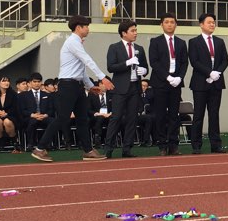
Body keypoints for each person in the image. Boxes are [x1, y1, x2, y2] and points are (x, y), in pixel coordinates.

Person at [31, 15, 113, 162]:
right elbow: (87, 60)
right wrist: (102, 77)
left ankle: (88, 151)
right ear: (78, 28)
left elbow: (80, 69)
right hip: (68, 85)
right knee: (63, 118)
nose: (88, 29)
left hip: (77, 86)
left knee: (82, 119)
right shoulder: (72, 42)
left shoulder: (77, 43)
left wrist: (89, 86)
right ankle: (40, 148)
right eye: (86, 26)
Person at [103, 19, 148, 158]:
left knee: (132, 118)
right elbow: (111, 67)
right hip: (120, 88)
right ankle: (108, 148)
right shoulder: (114, 47)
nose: (135, 33)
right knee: (116, 118)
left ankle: (127, 148)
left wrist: (144, 71)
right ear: (124, 33)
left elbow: (145, 67)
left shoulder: (139, 48)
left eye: (136, 30)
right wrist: (127, 62)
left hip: (135, 87)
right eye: (132, 31)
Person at [147, 12, 188, 156]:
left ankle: (173, 145)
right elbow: (154, 62)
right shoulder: (155, 41)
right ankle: (162, 145)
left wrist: (179, 77)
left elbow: (184, 62)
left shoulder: (181, 43)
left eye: (172, 22)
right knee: (160, 115)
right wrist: (167, 77)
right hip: (160, 83)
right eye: (167, 22)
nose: (170, 24)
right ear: (161, 25)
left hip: (176, 84)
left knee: (174, 115)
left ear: (176, 25)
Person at [187, 13, 228, 155]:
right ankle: (196, 145)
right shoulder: (194, 42)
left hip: (216, 83)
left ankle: (216, 144)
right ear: (201, 24)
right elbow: (194, 61)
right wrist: (209, 73)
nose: (212, 24)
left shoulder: (219, 42)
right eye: (209, 22)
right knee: (198, 115)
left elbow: (225, 60)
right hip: (200, 83)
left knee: (214, 114)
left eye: (213, 22)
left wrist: (217, 73)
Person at [18, 72, 53, 151]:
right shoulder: (23, 95)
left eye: (39, 81)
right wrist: (33, 115)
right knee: (32, 122)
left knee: (52, 121)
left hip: (44, 116)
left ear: (41, 82)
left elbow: (51, 109)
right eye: (34, 82)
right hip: (31, 117)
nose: (37, 84)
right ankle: (30, 144)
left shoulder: (47, 95)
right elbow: (22, 110)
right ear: (30, 83)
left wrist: (45, 115)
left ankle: (48, 143)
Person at [0, 75, 21, 152]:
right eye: (4, 81)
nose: (6, 83)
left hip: (10, 115)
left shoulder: (13, 94)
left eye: (8, 81)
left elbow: (15, 108)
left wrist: (6, 113)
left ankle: (14, 141)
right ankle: (0, 141)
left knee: (7, 121)